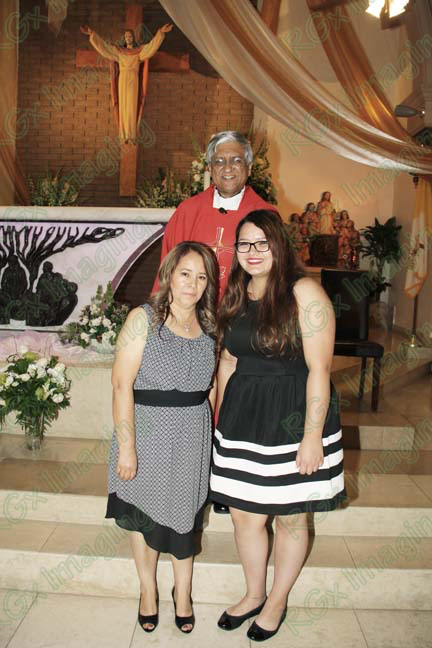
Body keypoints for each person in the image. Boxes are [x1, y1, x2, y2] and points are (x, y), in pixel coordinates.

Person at [210, 210, 346, 642]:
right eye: (244, 244)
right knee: (244, 516)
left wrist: (312, 437)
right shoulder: (236, 292)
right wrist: (217, 422)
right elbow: (227, 361)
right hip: (242, 418)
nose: (252, 252)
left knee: (290, 516)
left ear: (279, 245)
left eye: (262, 243)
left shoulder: (304, 292)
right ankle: (254, 593)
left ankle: (277, 600)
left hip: (293, 416)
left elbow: (320, 369)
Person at [106, 242, 218, 634]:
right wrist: (127, 446)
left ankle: (182, 593)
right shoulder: (144, 319)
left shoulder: (211, 326)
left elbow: (212, 387)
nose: (193, 284)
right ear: (169, 273)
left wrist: (211, 440)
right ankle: (148, 590)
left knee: (186, 518)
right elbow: (121, 385)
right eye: (186, 273)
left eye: (201, 277)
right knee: (145, 517)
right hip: (148, 433)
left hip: (192, 436)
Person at [153, 131, 277, 301]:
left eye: (236, 160)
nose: (227, 167)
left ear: (249, 168)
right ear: (210, 169)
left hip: (244, 311)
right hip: (192, 311)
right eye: (219, 161)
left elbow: (276, 275)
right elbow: (167, 270)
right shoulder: (187, 211)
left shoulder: (266, 215)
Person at [80, 24, 173, 142]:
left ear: (133, 38)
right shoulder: (119, 52)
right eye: (126, 36)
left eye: (129, 36)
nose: (128, 38)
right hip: (122, 79)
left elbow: (151, 47)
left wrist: (160, 33)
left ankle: (131, 134)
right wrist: (92, 34)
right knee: (123, 105)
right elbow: (104, 48)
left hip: (133, 79)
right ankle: (123, 134)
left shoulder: (138, 52)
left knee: (131, 105)